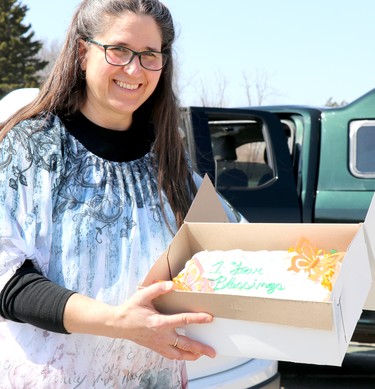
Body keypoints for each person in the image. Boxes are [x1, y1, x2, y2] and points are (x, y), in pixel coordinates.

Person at [0, 0, 217, 387]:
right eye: (118, 50)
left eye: (150, 55)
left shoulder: (168, 158)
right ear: (84, 53)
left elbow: (219, 244)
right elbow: (7, 278)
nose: (134, 69)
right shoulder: (30, 147)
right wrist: (119, 323)